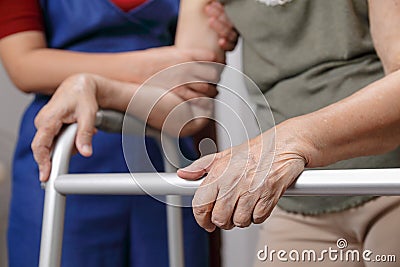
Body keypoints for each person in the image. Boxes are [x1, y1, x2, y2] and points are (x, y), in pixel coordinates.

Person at [30, 0, 400, 266]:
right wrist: (98, 87)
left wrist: (294, 140)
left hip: (387, 181)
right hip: (296, 200)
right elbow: (189, 110)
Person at [0, 1, 236, 266]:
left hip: (166, 164)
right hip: (66, 158)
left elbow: (193, 94)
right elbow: (24, 65)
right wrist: (150, 67)